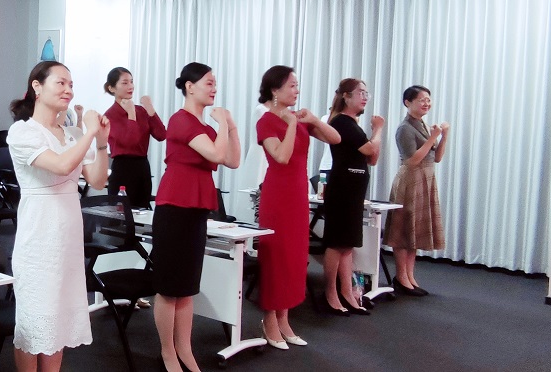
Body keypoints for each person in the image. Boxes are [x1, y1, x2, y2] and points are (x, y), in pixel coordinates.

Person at [6, 60, 109, 372]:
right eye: (60, 83)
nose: (68, 90)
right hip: (39, 236)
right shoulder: (23, 131)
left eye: (71, 84)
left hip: (68, 237)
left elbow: (97, 180)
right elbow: (62, 166)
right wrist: (90, 132)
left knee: (59, 322)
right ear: (37, 87)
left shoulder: (72, 134)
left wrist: (101, 143)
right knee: (33, 322)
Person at [150, 62, 240, 372]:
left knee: (187, 286)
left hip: (196, 208)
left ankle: (184, 349)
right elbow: (216, 155)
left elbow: (233, 160)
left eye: (215, 83)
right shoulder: (180, 120)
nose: (214, 88)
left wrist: (230, 126)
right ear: (189, 87)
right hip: (175, 206)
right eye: (209, 82)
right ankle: (167, 352)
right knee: (169, 287)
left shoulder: (205, 128)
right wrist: (222, 124)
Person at [256, 65, 340, 349]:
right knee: (276, 258)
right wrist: (292, 124)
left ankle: (285, 318)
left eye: (296, 85)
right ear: (275, 89)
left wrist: (313, 119)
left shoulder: (300, 118)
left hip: (298, 195)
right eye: (291, 85)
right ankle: (269, 319)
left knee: (294, 257)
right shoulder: (266, 121)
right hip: (277, 195)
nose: (297, 90)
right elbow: (281, 156)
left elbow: (336, 139)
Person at [321, 79, 384, 316]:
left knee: (348, 245)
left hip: (355, 189)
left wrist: (374, 136)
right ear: (346, 96)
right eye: (360, 92)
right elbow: (370, 149)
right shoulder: (341, 122)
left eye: (367, 93)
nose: (365, 97)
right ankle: (330, 293)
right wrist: (378, 130)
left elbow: (372, 159)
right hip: (342, 188)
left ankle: (347, 292)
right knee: (337, 242)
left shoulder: (354, 125)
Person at [383, 85, 450, 296]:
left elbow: (436, 158)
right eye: (421, 100)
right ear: (408, 102)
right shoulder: (404, 128)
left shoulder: (423, 125)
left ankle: (409, 276)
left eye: (428, 100)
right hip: (410, 180)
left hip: (425, 179)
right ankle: (401, 277)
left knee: (414, 232)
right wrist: (432, 137)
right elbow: (411, 160)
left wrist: (444, 136)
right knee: (403, 231)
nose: (426, 104)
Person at [103, 66, 166, 209]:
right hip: (123, 168)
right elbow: (130, 141)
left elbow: (162, 135)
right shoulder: (110, 115)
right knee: (121, 214)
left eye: (131, 82)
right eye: (125, 83)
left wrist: (150, 109)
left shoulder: (141, 110)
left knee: (143, 210)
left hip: (142, 166)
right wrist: (131, 114)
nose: (130, 86)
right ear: (112, 88)